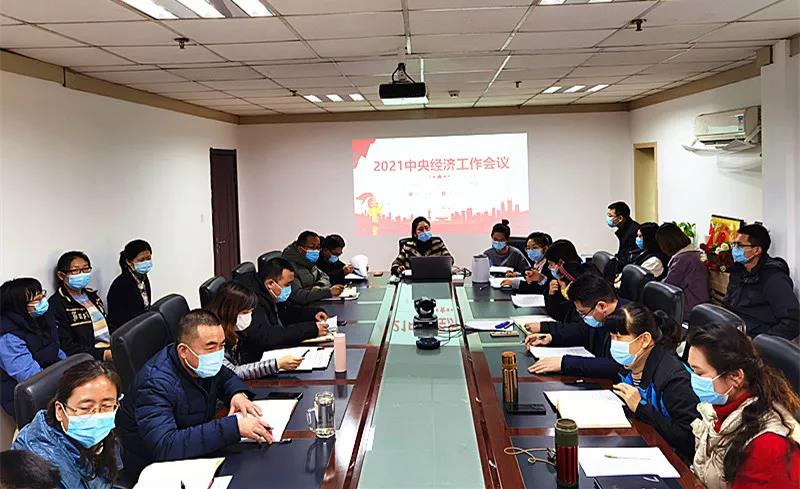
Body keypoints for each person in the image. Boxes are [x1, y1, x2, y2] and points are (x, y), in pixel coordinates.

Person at [116, 310, 274, 478]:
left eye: (222, 345)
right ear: (183, 351)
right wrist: (233, 427)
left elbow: (225, 376)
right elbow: (165, 445)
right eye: (211, 346)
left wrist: (237, 394)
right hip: (157, 468)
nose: (218, 354)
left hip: (195, 446)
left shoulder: (197, 363)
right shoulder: (154, 384)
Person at [687, 323, 800, 489]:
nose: (693, 379)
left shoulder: (769, 446)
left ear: (735, 377)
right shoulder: (717, 409)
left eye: (699, 373)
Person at [605, 303, 700, 463]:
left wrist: (641, 408)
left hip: (675, 460)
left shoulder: (673, 379)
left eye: (619, 338)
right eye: (612, 337)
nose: (614, 344)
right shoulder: (630, 364)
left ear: (644, 340)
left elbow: (688, 439)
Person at [12, 360, 122, 489]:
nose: (97, 416)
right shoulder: (39, 467)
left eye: (106, 405)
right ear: (60, 411)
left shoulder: (105, 438)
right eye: (86, 408)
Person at [525, 274, 626, 378]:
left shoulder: (629, 321)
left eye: (583, 313)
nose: (583, 317)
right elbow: (582, 331)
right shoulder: (602, 315)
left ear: (601, 306)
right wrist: (551, 337)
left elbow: (620, 366)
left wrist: (564, 363)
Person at [232, 258, 329, 361]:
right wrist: (311, 329)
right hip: (257, 358)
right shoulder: (252, 300)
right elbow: (267, 336)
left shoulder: (266, 290)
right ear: (270, 284)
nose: (289, 289)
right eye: (287, 285)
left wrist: (313, 314)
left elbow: (285, 312)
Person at [207, 282, 305, 379]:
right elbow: (233, 372)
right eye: (245, 312)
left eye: (250, 311)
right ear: (228, 312)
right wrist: (276, 364)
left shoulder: (235, 331)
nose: (248, 316)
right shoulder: (212, 336)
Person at [0, 278, 66, 417]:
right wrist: (67, 384)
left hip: (53, 381)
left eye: (42, 295)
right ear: (19, 306)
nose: (43, 302)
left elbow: (55, 349)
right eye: (37, 300)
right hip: (29, 396)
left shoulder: (40, 318)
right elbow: (30, 376)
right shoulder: (8, 336)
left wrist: (73, 370)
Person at [723, 224, 799, 340]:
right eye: (734, 244)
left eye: (739, 245)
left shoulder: (774, 278)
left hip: (754, 341)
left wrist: (760, 342)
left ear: (756, 250)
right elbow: (728, 304)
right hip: (732, 334)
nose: (734, 249)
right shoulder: (737, 272)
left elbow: (793, 321)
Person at [49, 251, 111, 361]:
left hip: (111, 348)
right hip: (92, 359)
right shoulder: (57, 304)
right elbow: (67, 346)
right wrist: (103, 355)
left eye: (85, 269)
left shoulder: (92, 296)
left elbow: (107, 325)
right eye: (75, 270)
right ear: (61, 275)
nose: (82, 274)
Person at [656, 222, 710, 317]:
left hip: (688, 307)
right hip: (699, 304)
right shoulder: (693, 254)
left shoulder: (682, 259)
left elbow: (669, 286)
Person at [281, 231, 344, 304]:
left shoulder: (309, 261)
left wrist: (319, 285)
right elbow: (297, 296)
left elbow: (325, 276)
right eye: (312, 247)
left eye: (318, 247)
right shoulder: (288, 267)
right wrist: (328, 292)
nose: (316, 251)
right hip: (299, 307)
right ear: (300, 249)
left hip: (313, 301)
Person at [107, 239, 152, 331]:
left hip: (142, 325)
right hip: (128, 330)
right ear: (129, 262)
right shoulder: (120, 284)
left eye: (148, 258)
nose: (146, 262)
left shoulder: (143, 277)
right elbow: (119, 319)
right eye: (141, 260)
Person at [607, 201, 640, 267]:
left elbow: (626, 259)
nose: (608, 218)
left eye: (610, 216)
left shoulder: (632, 232)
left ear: (620, 218)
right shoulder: (625, 230)